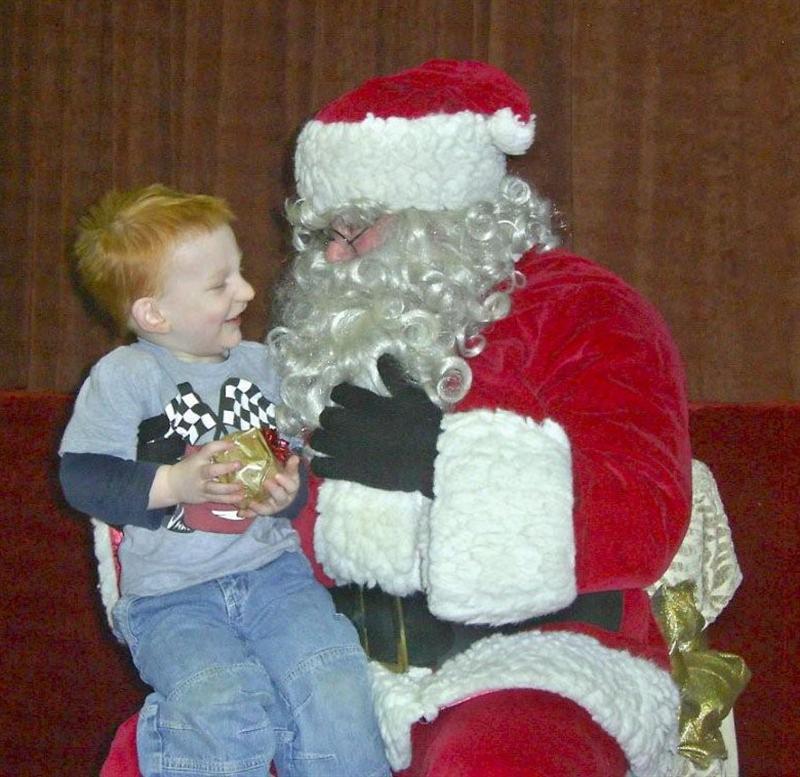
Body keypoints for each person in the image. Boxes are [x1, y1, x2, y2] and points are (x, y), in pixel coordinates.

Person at [266, 60, 693, 776]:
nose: (335, 257)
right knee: (177, 742)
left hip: (536, 660)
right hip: (339, 662)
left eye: (356, 229)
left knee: (499, 758)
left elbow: (643, 520)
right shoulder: (330, 337)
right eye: (326, 235)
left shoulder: (583, 309)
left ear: (439, 215)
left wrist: (443, 464)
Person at [59, 184, 390, 777]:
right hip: (171, 599)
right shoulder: (126, 375)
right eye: (220, 285)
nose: (247, 291)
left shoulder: (263, 366)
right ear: (154, 314)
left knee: (336, 680)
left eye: (239, 272)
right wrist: (175, 484)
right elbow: (82, 477)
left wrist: (286, 495)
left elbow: (293, 465)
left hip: (274, 576)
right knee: (222, 702)